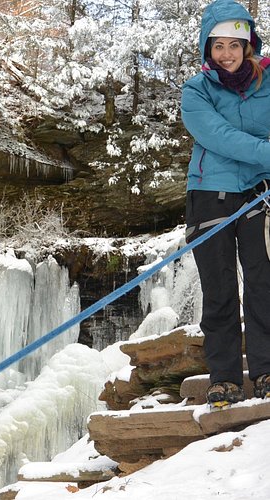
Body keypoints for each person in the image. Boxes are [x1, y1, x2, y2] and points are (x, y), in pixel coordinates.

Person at [181, 0, 270, 407]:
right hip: (209, 194)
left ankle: (266, 369)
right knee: (219, 289)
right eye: (218, 46)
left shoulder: (267, 83)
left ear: (248, 43)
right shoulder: (196, 90)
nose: (227, 54)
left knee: (263, 284)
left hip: (258, 195)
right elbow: (215, 135)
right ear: (207, 48)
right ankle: (225, 378)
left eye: (235, 44)